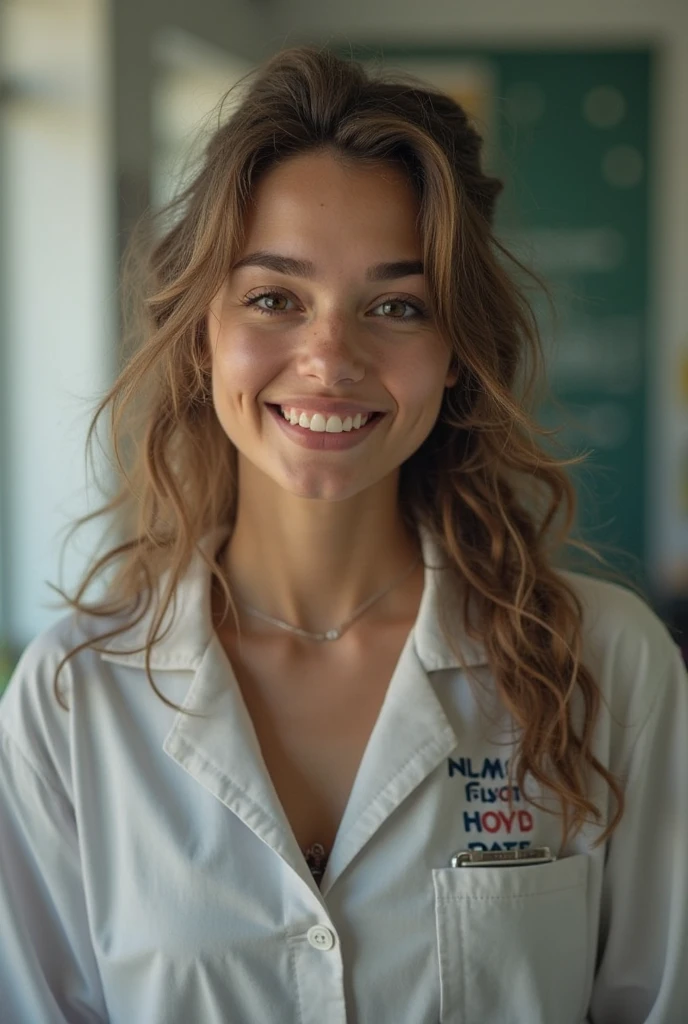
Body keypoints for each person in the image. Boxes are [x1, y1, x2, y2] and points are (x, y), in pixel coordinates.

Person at [0, 45, 685, 1024]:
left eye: (396, 306)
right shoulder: (74, 699)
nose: (329, 357)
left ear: (456, 352)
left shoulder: (607, 668)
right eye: (274, 298)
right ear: (203, 332)